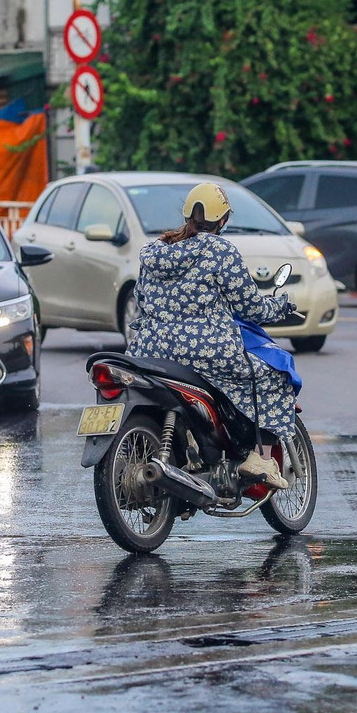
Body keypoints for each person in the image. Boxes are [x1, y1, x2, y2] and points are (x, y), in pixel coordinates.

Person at [127, 183, 299, 489]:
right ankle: (259, 456)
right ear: (223, 220)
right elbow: (250, 306)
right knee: (274, 375)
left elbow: (140, 299)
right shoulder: (220, 251)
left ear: (186, 214)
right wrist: (280, 306)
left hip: (149, 351)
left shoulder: (155, 252)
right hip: (207, 351)